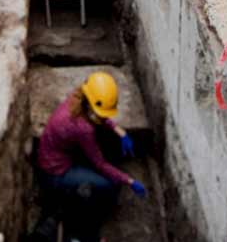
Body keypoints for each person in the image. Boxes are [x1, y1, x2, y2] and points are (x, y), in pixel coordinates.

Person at [37, 71, 147, 216]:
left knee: (104, 158)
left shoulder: (77, 98)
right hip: (55, 172)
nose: (104, 116)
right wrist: (129, 180)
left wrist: (120, 131)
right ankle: (96, 212)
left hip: (50, 154)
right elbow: (100, 164)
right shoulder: (83, 129)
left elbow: (99, 116)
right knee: (108, 185)